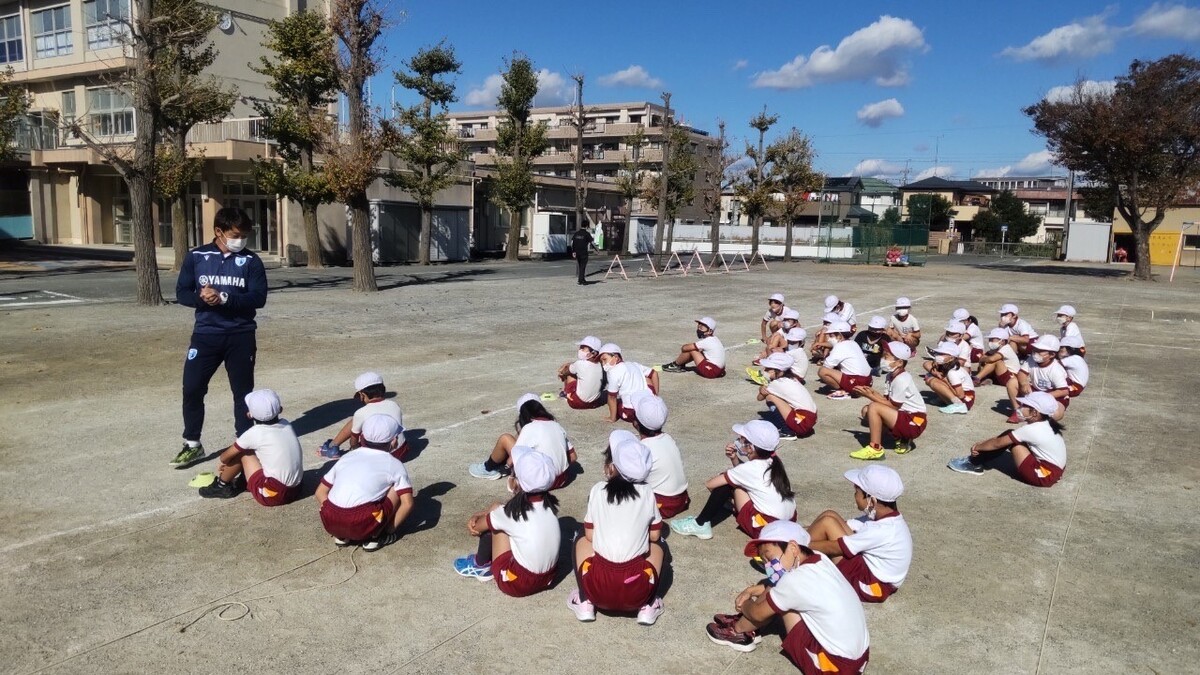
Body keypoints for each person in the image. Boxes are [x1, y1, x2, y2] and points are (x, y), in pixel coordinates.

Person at [704, 520, 870, 672]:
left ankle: (738, 631)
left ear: (792, 548)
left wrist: (746, 603)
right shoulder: (819, 559)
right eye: (763, 561)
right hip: (858, 657)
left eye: (769, 557)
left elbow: (757, 612)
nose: (768, 566)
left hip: (834, 666)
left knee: (777, 596)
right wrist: (753, 590)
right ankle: (744, 624)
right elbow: (783, 585)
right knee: (780, 588)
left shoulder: (794, 580)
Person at [172, 207, 268, 468]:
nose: (241, 240)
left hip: (241, 335)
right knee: (192, 388)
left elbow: (259, 298)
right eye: (235, 235)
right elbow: (181, 292)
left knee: (242, 393)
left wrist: (225, 298)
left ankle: (243, 443)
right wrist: (200, 298)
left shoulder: (251, 261)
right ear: (219, 231)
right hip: (205, 335)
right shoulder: (197, 256)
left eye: (245, 235)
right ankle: (192, 444)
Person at [568, 430, 666, 626]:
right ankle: (648, 606)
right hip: (636, 588)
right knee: (660, 544)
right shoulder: (647, 492)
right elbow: (654, 535)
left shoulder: (598, 490)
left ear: (612, 467)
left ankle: (585, 601)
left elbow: (589, 535)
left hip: (597, 586)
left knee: (581, 537)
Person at [454, 446, 562, 596]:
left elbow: (478, 528)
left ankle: (481, 565)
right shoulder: (550, 507)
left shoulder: (509, 514)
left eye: (513, 473)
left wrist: (480, 517)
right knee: (497, 512)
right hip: (548, 578)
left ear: (516, 482)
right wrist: (489, 512)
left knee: (495, 522)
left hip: (516, 582)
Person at [669, 420, 796, 540]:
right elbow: (747, 474)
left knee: (727, 482)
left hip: (765, 527)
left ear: (751, 447)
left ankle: (700, 523)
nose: (739, 441)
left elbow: (710, 484)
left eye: (742, 439)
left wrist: (727, 491)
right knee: (736, 479)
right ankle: (726, 506)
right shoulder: (774, 462)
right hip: (787, 523)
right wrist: (734, 458)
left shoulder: (751, 468)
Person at [806, 465, 912, 603]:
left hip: (872, 585)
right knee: (830, 515)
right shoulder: (885, 519)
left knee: (827, 522)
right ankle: (792, 548)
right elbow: (844, 524)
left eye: (856, 491)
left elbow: (836, 547)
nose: (854, 496)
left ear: (871, 500)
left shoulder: (882, 530)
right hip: (870, 571)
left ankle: (791, 553)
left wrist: (801, 544)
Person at [315, 415, 414, 551]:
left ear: (362, 438)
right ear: (394, 441)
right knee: (398, 488)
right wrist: (389, 530)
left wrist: (331, 511)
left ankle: (342, 536)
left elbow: (320, 492)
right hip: (364, 521)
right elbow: (407, 503)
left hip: (330, 520)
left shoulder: (347, 457)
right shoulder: (394, 464)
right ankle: (376, 537)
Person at [199, 389, 303, 506]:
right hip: (296, 489)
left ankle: (221, 485)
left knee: (243, 452)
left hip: (273, 494)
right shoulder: (286, 424)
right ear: (280, 409)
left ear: (249, 414)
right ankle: (244, 480)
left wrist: (228, 464)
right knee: (260, 449)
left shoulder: (255, 433)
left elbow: (224, 457)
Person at [948, 391, 1067, 487]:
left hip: (1043, 475)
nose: (1020, 407)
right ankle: (980, 458)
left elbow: (998, 443)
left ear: (1035, 413)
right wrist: (984, 444)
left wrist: (978, 447)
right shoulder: (1047, 424)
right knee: (1012, 437)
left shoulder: (1032, 429)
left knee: (1011, 438)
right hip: (1054, 471)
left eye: (1025, 406)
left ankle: (973, 463)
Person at [469, 394, 576, 483]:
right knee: (516, 438)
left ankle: (488, 468)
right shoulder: (556, 425)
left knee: (505, 438)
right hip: (562, 479)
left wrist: (506, 466)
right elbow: (573, 457)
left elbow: (514, 455)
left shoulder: (529, 428)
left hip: (542, 480)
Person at [850, 341, 927, 460]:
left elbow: (893, 406)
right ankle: (901, 438)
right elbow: (885, 400)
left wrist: (869, 396)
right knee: (866, 410)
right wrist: (871, 391)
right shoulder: (890, 376)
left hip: (915, 421)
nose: (883, 359)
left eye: (886, 356)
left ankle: (875, 449)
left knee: (874, 407)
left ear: (900, 362)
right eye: (883, 355)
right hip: (905, 416)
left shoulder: (902, 379)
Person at [318, 372, 405, 460]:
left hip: (375, 457)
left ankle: (333, 446)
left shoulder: (361, 412)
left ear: (362, 395)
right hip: (399, 452)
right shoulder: (394, 405)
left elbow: (354, 441)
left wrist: (354, 449)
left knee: (356, 422)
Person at [631, 393, 690, 518]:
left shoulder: (643, 449)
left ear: (636, 423)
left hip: (663, 504)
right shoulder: (668, 438)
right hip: (682, 498)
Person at [757, 353, 818, 440]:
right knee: (778, 397)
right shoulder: (792, 379)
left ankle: (787, 431)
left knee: (770, 397)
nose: (765, 370)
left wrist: (761, 389)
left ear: (780, 371)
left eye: (769, 369)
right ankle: (791, 426)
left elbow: (759, 398)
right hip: (810, 419)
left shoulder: (778, 383)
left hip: (802, 422)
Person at [1014, 335, 1069, 422]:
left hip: (1053, 395)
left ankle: (1036, 415)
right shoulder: (1031, 359)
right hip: (1035, 391)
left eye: (1040, 351)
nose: (1035, 353)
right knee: (1012, 382)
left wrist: (1042, 398)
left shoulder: (1056, 370)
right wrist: (1024, 383)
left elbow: (1064, 391)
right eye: (1035, 349)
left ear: (1052, 354)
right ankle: (1017, 410)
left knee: (1056, 415)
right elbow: (1021, 373)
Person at [601, 344, 658, 422]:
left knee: (615, 400)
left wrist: (612, 418)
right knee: (647, 378)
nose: (603, 364)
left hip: (631, 412)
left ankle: (615, 416)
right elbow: (654, 373)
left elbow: (612, 397)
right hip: (649, 407)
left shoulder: (613, 372)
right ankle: (654, 398)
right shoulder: (633, 364)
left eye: (605, 359)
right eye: (602, 361)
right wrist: (656, 395)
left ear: (616, 357)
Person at [816, 321, 872, 400]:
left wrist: (821, 356)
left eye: (831, 335)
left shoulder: (840, 346)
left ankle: (845, 390)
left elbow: (827, 365)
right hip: (868, 380)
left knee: (822, 371)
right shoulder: (853, 343)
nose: (829, 338)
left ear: (839, 336)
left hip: (857, 382)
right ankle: (851, 388)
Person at [926, 341, 976, 414]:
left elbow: (961, 395)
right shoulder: (944, 365)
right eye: (938, 353)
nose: (938, 356)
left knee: (933, 381)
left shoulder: (953, 372)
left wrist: (945, 381)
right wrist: (936, 373)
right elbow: (926, 364)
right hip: (961, 395)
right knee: (929, 377)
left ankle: (958, 405)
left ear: (951, 357)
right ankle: (946, 400)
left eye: (942, 354)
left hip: (965, 400)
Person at [559, 336, 605, 409]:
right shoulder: (600, 364)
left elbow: (565, 371)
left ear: (593, 353)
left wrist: (562, 372)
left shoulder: (580, 364)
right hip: (595, 403)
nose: (580, 350)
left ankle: (567, 394)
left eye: (583, 348)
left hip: (577, 403)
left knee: (569, 374)